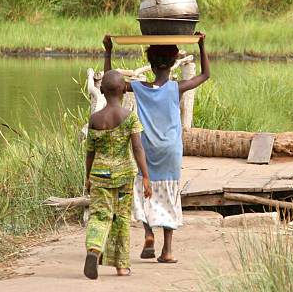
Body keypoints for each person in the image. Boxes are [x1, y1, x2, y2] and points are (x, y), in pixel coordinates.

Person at [102, 32, 210, 263]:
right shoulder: (176, 87)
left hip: (146, 148)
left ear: (150, 64)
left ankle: (149, 233)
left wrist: (108, 51)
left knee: (144, 189)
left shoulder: (140, 88)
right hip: (171, 150)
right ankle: (167, 250)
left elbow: (111, 84)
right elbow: (205, 74)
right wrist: (202, 46)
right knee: (169, 193)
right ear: (173, 64)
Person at [83, 70, 152, 279]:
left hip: (99, 175)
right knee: (122, 218)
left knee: (99, 215)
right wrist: (146, 176)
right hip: (124, 176)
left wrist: (88, 177)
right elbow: (138, 148)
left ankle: (94, 250)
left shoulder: (95, 118)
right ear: (124, 90)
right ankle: (121, 267)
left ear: (101, 90)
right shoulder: (130, 118)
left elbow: (90, 152)